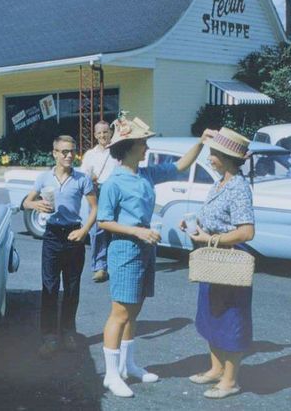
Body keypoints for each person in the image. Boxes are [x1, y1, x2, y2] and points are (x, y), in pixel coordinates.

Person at [97, 115, 214, 397]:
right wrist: (137, 232)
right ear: (128, 147)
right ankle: (111, 375)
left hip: (145, 249)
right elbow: (103, 221)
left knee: (134, 310)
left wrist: (200, 142)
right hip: (125, 249)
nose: (147, 146)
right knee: (120, 312)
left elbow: (179, 166)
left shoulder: (145, 174)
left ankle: (128, 365)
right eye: (142, 142)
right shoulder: (114, 182)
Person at [182, 127, 255, 400]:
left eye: (213, 153)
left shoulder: (238, 187)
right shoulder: (220, 182)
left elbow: (246, 231)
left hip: (229, 257)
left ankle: (230, 380)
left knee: (231, 317)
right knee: (210, 314)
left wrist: (212, 239)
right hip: (213, 258)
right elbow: (214, 218)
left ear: (225, 157)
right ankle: (215, 369)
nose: (210, 157)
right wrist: (195, 226)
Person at [22, 135, 97, 355]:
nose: (69, 155)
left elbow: (95, 209)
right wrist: (36, 205)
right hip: (53, 236)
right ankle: (49, 337)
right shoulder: (44, 178)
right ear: (54, 153)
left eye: (72, 151)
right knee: (50, 288)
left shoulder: (82, 179)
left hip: (74, 234)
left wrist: (84, 231)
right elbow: (26, 202)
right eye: (64, 151)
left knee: (72, 288)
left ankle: (67, 332)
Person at [80, 120, 118, 283]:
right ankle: (100, 267)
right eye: (99, 133)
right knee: (97, 230)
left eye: (105, 132)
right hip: (97, 191)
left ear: (110, 132)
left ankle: (115, 264)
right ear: (95, 135)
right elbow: (83, 175)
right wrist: (90, 178)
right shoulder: (90, 154)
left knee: (117, 228)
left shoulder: (118, 150)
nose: (103, 135)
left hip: (116, 192)